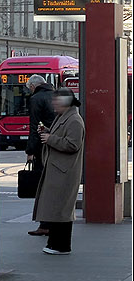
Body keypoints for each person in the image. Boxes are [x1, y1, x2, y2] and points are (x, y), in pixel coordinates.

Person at [32, 88, 85, 255]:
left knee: (61, 209)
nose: (53, 104)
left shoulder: (74, 120)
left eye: (56, 101)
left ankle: (60, 245)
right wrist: (48, 132)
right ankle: (54, 243)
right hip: (58, 169)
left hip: (64, 171)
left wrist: (51, 138)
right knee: (56, 208)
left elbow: (73, 145)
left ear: (65, 103)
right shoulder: (64, 117)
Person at [23, 75, 55, 236]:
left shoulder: (36, 99)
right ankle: (53, 223)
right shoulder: (56, 95)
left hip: (43, 147)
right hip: (56, 147)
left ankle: (45, 224)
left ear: (34, 86)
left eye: (30, 88)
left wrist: (30, 151)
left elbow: (34, 126)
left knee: (42, 187)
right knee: (53, 187)